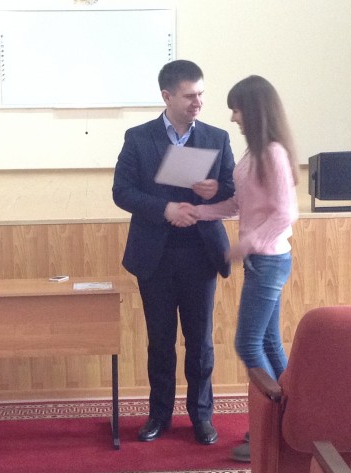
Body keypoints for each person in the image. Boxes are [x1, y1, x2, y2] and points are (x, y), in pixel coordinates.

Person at [112, 60, 235, 445]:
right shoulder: (138, 138)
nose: (198, 102)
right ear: (166, 96)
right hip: (156, 254)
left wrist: (215, 190)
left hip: (201, 253)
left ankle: (201, 416)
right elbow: (122, 192)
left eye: (201, 94)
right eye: (189, 96)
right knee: (160, 341)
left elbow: (232, 190)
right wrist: (165, 209)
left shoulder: (217, 137)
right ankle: (159, 415)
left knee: (200, 342)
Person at [190, 75, 299, 461]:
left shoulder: (273, 154)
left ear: (254, 110)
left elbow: (286, 214)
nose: (233, 117)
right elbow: (239, 205)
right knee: (268, 343)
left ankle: (270, 429)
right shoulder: (254, 153)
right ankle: (292, 421)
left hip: (269, 260)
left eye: (236, 109)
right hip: (261, 260)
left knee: (247, 343)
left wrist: (245, 245)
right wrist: (199, 211)